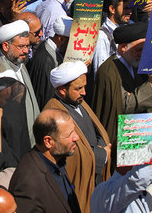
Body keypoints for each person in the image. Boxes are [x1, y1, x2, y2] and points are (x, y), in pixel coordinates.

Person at [45, 61, 111, 213]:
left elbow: (98, 132)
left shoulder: (79, 103)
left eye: (84, 87)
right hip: (78, 185)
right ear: (62, 90)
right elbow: (68, 153)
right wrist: (102, 154)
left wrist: (102, 147)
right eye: (78, 88)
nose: (84, 92)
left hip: (96, 178)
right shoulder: (54, 114)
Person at [93, 22, 152, 141]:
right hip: (120, 140)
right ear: (123, 47)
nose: (142, 54)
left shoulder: (136, 63)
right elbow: (123, 106)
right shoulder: (109, 72)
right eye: (138, 49)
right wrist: (150, 85)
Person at [9, 109, 81, 213]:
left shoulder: (57, 162)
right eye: (69, 134)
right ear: (48, 142)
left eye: (74, 130)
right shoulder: (28, 182)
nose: (76, 137)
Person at [0, 20, 40, 145]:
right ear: (5, 46)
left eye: (27, 46)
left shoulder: (21, 65)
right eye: (21, 46)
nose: (26, 51)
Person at [27, 16, 72, 108]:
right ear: (61, 39)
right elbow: (45, 97)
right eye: (70, 41)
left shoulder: (48, 49)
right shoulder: (47, 60)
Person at [92, 0, 133, 75]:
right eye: (125, 8)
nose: (130, 12)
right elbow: (100, 73)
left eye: (130, 8)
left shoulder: (129, 27)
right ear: (112, 9)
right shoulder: (102, 37)